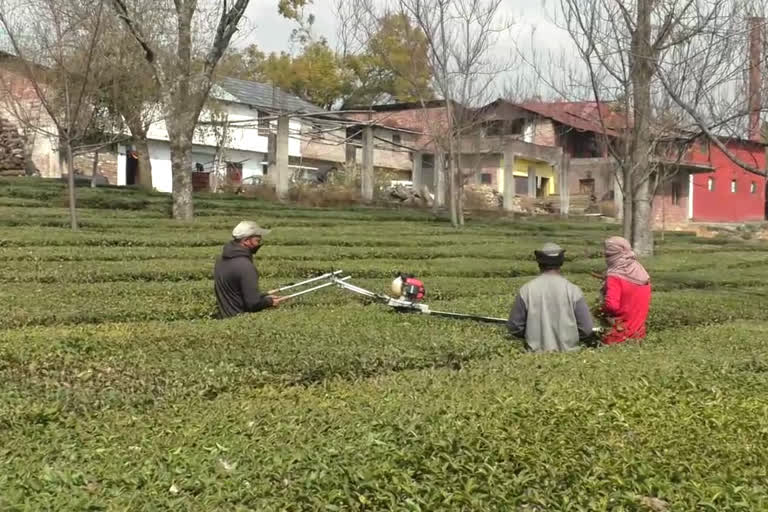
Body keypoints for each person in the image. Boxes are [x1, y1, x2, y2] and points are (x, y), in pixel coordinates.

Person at [508, 242, 594, 352]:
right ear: (560, 262)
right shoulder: (573, 290)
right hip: (570, 358)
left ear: (539, 262)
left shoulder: (526, 290)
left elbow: (514, 326)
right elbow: (586, 328)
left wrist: (532, 334)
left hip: (534, 358)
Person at [214, 220, 283, 318]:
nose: (259, 243)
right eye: (257, 241)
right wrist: (269, 302)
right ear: (246, 241)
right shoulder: (245, 266)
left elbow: (235, 293)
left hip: (224, 317)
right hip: (238, 322)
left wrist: (262, 296)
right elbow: (253, 304)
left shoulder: (220, 259)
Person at [600, 236, 651, 344]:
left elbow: (612, 306)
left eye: (607, 255)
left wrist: (600, 309)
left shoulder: (615, 276)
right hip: (639, 333)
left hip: (618, 335)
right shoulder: (641, 271)